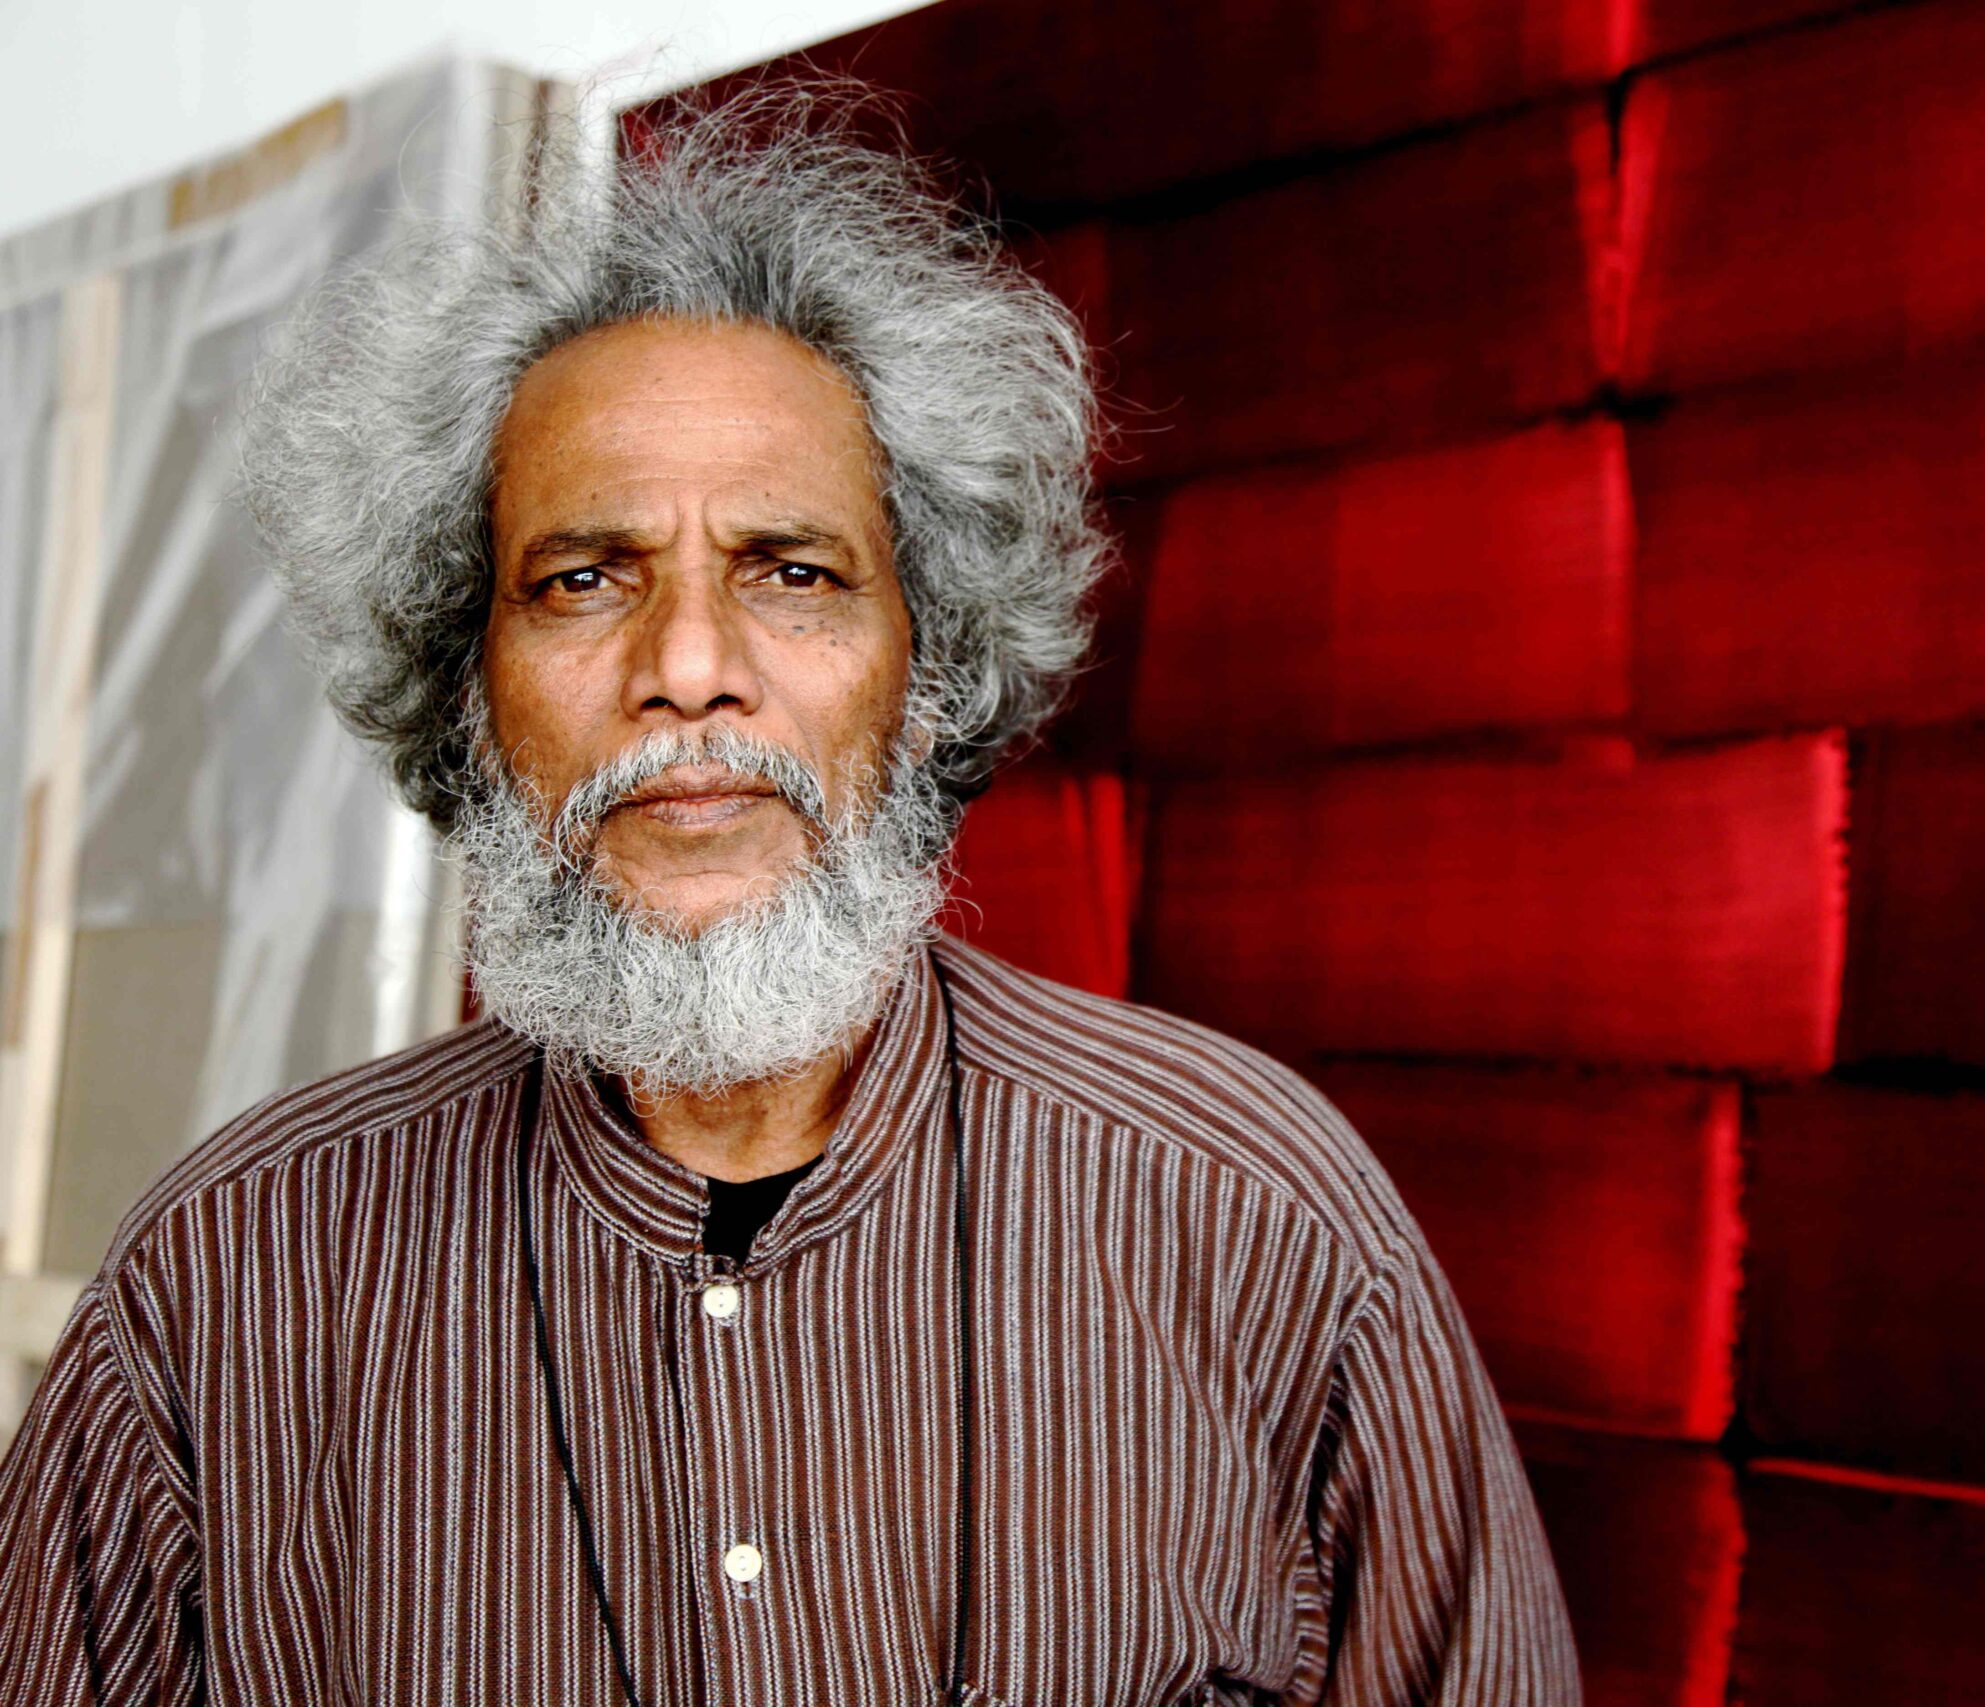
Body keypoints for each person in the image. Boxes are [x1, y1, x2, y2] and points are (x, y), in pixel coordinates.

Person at [0, 95, 1580, 1704]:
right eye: (584, 577)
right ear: (463, 677)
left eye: (793, 571)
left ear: (931, 661)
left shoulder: (1253, 1216)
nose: (689, 668)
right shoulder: (224, 1286)